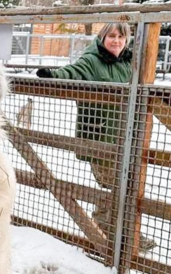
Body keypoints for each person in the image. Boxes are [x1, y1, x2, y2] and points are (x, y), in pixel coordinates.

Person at [36, 23, 156, 251]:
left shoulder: (129, 62)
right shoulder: (92, 60)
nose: (116, 41)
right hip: (99, 137)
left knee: (126, 185)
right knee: (116, 185)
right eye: (111, 36)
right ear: (102, 38)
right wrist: (53, 75)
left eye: (121, 37)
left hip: (124, 137)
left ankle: (120, 233)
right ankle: (110, 234)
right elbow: (73, 72)